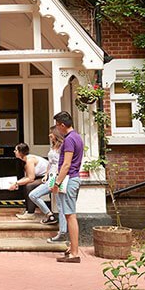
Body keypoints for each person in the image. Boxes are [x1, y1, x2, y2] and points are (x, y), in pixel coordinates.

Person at [51, 111, 84, 263]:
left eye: (57, 126)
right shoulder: (77, 137)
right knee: (69, 215)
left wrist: (57, 183)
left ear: (62, 125)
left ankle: (74, 253)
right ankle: (72, 248)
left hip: (69, 180)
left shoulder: (70, 140)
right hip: (73, 179)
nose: (56, 129)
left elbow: (66, 164)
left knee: (70, 215)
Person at [27, 126, 69, 243]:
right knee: (33, 195)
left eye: (51, 134)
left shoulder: (63, 146)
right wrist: (46, 175)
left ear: (56, 134)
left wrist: (58, 178)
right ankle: (49, 215)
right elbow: (50, 163)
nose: (49, 135)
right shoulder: (53, 146)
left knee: (61, 206)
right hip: (50, 177)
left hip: (58, 177)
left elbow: (64, 163)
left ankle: (63, 232)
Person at [8, 143, 49, 220]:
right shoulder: (25, 160)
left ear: (20, 152)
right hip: (40, 177)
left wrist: (16, 183)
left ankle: (30, 213)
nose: (14, 151)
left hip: (48, 177)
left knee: (29, 186)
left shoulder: (29, 160)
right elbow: (27, 177)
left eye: (16, 150)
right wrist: (17, 183)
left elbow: (31, 178)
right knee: (26, 185)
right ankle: (28, 210)